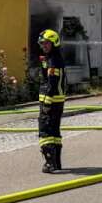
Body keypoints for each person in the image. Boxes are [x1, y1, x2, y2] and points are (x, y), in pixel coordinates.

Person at [37, 29, 66, 173]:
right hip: (56, 101)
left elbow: (52, 82)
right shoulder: (52, 58)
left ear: (54, 42)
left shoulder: (54, 60)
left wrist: (47, 101)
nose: (44, 46)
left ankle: (50, 163)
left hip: (51, 101)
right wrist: (44, 64)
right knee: (54, 132)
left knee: (45, 131)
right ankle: (57, 163)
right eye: (42, 43)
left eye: (47, 43)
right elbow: (46, 77)